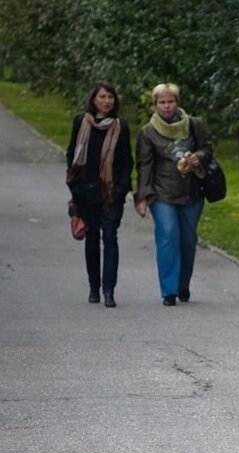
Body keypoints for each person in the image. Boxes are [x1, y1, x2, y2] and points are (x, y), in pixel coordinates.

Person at [134, 83, 212, 306]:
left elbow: (208, 149)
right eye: (162, 102)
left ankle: (182, 285)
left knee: (188, 241)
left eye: (170, 101)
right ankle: (168, 290)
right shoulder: (147, 132)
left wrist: (198, 157)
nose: (167, 106)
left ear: (177, 103)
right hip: (162, 194)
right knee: (168, 236)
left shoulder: (194, 125)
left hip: (191, 193)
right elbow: (145, 166)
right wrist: (142, 197)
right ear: (155, 105)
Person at [66, 81, 133, 308]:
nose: (106, 101)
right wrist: (75, 187)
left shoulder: (120, 127)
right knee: (92, 239)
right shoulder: (81, 122)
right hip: (85, 191)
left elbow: (126, 162)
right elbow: (72, 155)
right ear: (94, 99)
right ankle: (93, 288)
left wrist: (121, 188)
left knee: (110, 238)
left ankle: (108, 290)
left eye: (110, 97)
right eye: (102, 97)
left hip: (110, 192)